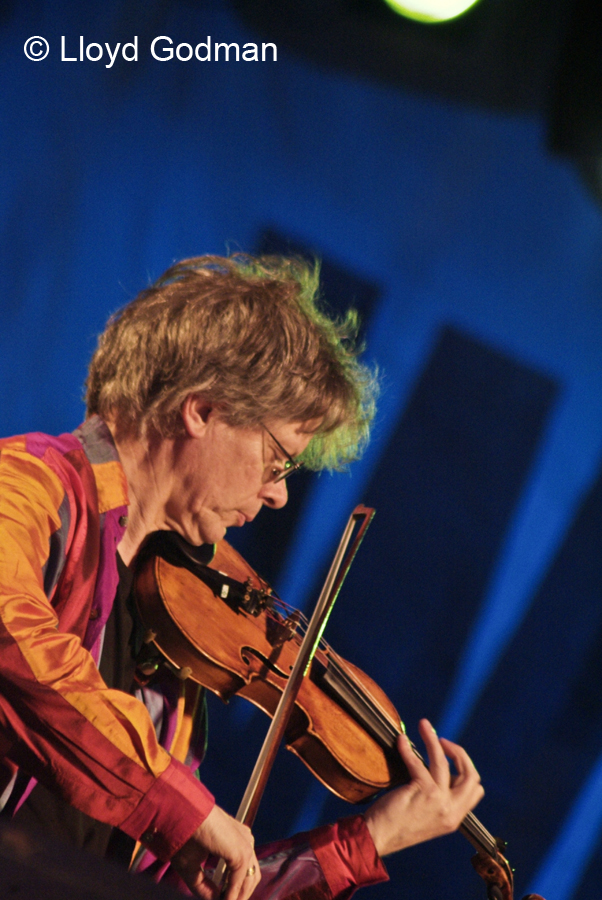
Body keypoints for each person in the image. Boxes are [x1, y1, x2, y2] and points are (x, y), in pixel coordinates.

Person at [0, 255, 483, 900]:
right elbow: (10, 631)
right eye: (279, 460)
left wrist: (369, 840)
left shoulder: (174, 638)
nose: (279, 495)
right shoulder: (30, 483)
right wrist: (180, 806)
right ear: (202, 410)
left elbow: (166, 884)